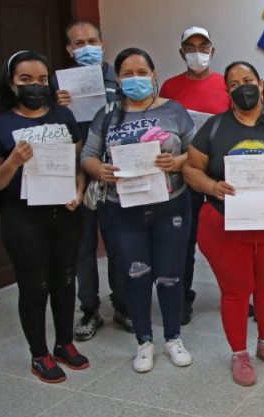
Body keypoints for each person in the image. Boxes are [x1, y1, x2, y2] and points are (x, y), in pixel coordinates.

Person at [184, 61, 264, 386]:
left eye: (248, 80)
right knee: (235, 292)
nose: (243, 88)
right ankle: (239, 354)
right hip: (226, 225)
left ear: (261, 85)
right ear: (227, 91)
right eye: (235, 84)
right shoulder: (214, 128)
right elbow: (191, 168)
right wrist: (212, 187)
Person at [81, 48, 196, 373]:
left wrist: (176, 162)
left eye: (142, 72)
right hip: (123, 209)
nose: (136, 79)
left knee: (171, 275)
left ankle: (173, 338)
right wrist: (98, 169)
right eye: (128, 74)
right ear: (118, 79)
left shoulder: (174, 110)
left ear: (154, 74)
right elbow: (88, 155)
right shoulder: (107, 113)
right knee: (136, 274)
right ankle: (144, 341)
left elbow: (197, 152)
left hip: (171, 205)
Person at [0, 50, 89, 383]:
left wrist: (79, 190)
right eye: (26, 79)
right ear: (11, 83)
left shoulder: (62, 116)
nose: (36, 86)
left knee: (65, 279)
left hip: (65, 213)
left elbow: (77, 164)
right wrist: (13, 161)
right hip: (23, 218)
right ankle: (39, 354)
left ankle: (64, 343)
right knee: (34, 286)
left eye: (42, 79)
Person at [52, 21, 131, 341]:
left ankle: (122, 304)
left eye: (92, 41)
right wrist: (56, 107)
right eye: (79, 43)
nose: (87, 47)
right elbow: (49, 130)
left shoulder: (121, 78)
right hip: (77, 176)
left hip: (115, 173)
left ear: (102, 43)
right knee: (82, 247)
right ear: (69, 50)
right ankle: (89, 308)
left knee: (119, 245)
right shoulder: (58, 85)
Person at [160, 26, 231, 325]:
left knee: (229, 239)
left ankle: (236, 296)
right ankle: (181, 299)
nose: (197, 53)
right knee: (183, 240)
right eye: (190, 48)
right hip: (183, 175)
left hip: (220, 175)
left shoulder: (226, 84)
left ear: (212, 51)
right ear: (181, 53)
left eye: (203, 47)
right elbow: (162, 130)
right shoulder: (170, 87)